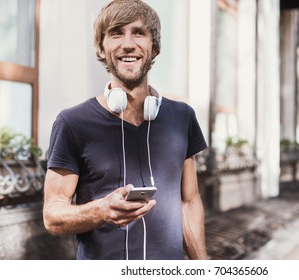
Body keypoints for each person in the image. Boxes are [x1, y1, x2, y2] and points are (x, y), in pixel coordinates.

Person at [43, 0, 208, 260]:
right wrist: (100, 211)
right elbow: (52, 215)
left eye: (139, 33)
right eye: (116, 33)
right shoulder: (72, 123)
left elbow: (188, 202)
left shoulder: (182, 117)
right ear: (101, 46)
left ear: (153, 47)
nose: (128, 44)